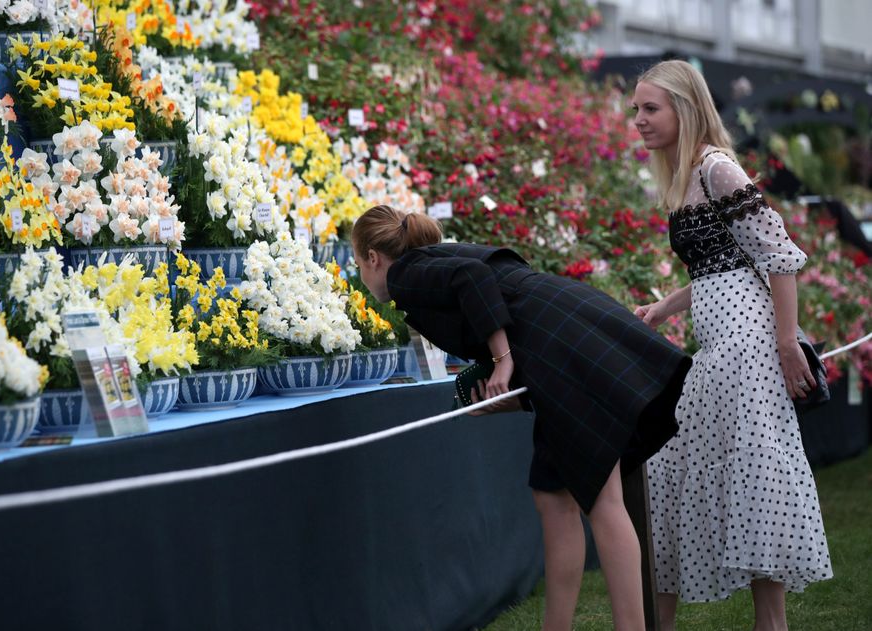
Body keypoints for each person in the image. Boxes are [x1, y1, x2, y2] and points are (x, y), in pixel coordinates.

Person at [351, 204, 691, 631]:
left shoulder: (405, 273)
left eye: (358, 264)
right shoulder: (429, 260)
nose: (362, 276)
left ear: (372, 257)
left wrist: (503, 362)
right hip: (563, 333)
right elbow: (501, 277)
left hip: (558, 345)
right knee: (553, 498)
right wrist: (519, 381)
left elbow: (473, 280)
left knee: (604, 501)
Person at [630, 60, 832, 631]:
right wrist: (664, 307)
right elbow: (721, 268)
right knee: (687, 473)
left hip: (746, 347)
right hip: (719, 343)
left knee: (751, 480)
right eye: (636, 110)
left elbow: (780, 257)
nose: (639, 121)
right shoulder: (686, 174)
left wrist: (787, 343)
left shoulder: (718, 168)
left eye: (651, 108)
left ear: (685, 109)